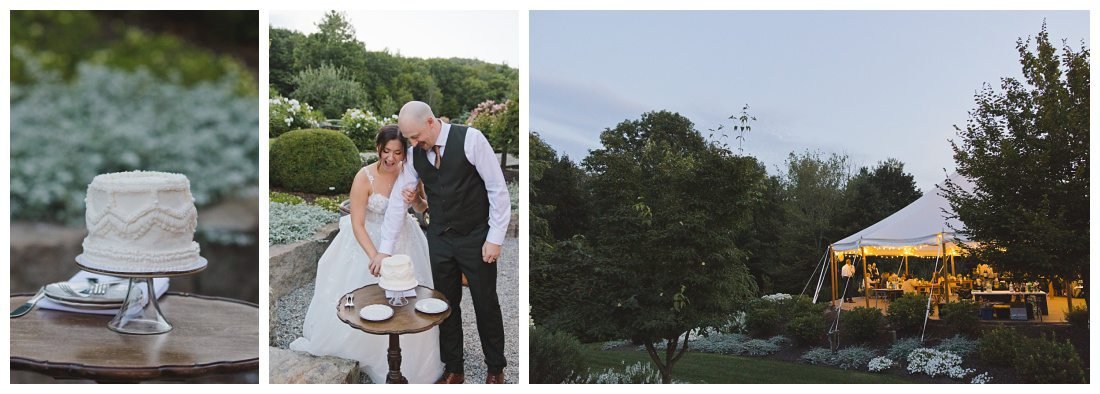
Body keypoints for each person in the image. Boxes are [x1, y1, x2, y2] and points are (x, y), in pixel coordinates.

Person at [289, 126, 443, 384]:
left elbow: (421, 208)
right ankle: (357, 348)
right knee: (360, 297)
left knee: (405, 299)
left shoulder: (411, 173)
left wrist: (416, 198)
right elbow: (357, 223)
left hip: (405, 241)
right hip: (367, 242)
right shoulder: (364, 177)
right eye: (386, 152)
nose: (391, 158)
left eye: (397, 152)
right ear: (378, 150)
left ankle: (403, 355)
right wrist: (375, 255)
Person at [372, 101, 511, 384]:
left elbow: (497, 189)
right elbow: (400, 201)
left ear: (431, 122)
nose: (412, 143)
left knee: (486, 304)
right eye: (408, 138)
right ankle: (454, 369)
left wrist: (494, 238)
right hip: (440, 238)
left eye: (415, 136)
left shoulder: (471, 139)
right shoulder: (415, 154)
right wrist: (384, 250)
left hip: (476, 236)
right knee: (444, 305)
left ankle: (496, 369)